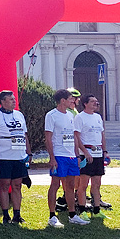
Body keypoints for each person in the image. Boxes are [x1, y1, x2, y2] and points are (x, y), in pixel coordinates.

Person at [44, 89, 89, 227]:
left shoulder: (71, 115)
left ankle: (72, 214)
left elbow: (74, 136)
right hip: (58, 155)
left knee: (70, 185)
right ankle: (52, 216)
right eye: (70, 99)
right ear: (63, 100)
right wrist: (52, 157)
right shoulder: (51, 115)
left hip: (70, 156)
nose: (73, 101)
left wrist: (77, 155)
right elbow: (48, 138)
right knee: (55, 184)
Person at [0, 90, 29, 225]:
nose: (14, 101)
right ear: (3, 101)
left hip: (19, 156)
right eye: (10, 99)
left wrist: (29, 153)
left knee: (17, 185)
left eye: (14, 99)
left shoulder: (19, 115)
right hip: (4, 156)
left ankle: (17, 214)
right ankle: (5, 214)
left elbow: (25, 135)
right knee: (5, 185)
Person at [73, 94, 107, 216]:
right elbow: (76, 136)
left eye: (97, 102)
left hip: (98, 154)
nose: (96, 104)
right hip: (86, 154)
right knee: (83, 184)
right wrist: (85, 152)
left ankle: (97, 210)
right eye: (93, 101)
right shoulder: (80, 117)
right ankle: (82, 209)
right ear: (85, 104)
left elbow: (102, 135)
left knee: (97, 183)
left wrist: (105, 151)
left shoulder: (98, 117)